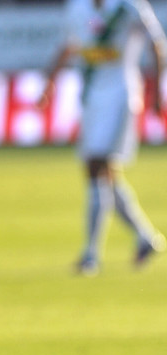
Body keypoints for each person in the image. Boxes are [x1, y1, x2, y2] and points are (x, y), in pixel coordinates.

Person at [40, 0, 166, 276]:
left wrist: (157, 90)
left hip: (122, 97)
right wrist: (49, 80)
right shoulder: (78, 7)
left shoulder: (128, 6)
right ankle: (146, 239)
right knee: (104, 174)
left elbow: (157, 42)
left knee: (98, 166)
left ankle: (91, 255)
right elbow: (70, 45)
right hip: (92, 97)